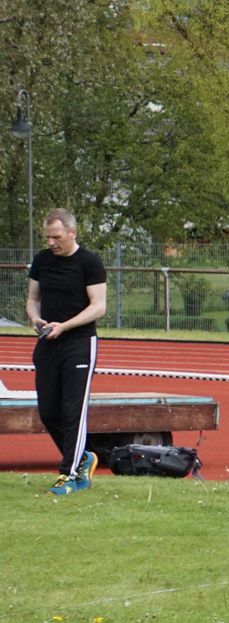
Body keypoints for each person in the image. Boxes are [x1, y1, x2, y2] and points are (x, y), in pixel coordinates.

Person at [26, 208, 108, 494]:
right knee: (48, 411)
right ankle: (83, 458)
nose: (51, 242)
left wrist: (65, 326)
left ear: (72, 233)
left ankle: (69, 474)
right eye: (47, 237)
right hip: (48, 343)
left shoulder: (89, 262)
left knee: (73, 411)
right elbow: (33, 299)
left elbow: (99, 306)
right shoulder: (42, 261)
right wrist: (36, 319)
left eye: (56, 237)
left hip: (79, 344)